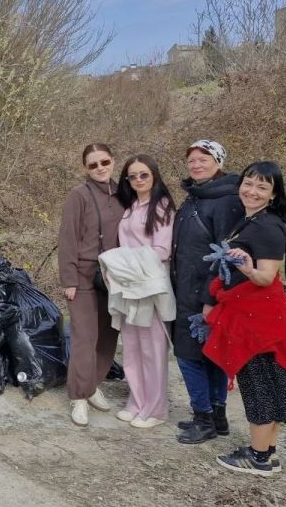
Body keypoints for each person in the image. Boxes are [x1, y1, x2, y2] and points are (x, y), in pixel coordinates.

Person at [200, 162, 286, 476]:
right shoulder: (253, 220)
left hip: (260, 325)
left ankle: (258, 457)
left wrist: (247, 269)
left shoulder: (267, 226)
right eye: (248, 183)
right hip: (262, 319)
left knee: (260, 388)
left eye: (262, 187)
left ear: (273, 194)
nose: (252, 191)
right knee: (273, 388)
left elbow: (265, 277)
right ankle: (268, 453)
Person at [171, 140, 244, 444]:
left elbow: (227, 253)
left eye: (204, 159)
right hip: (187, 286)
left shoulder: (227, 200)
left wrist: (211, 297)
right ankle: (217, 416)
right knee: (209, 353)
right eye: (192, 160)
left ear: (218, 162)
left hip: (205, 291)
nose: (196, 164)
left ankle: (204, 418)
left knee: (188, 354)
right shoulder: (195, 196)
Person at [58, 143, 125, 427]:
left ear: (113, 161)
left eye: (104, 162)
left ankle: (92, 385)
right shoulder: (79, 195)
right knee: (84, 338)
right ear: (85, 168)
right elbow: (68, 238)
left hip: (115, 277)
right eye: (93, 164)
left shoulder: (123, 193)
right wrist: (69, 279)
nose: (100, 168)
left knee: (108, 337)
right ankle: (79, 397)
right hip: (84, 276)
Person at [108, 155, 177, 429]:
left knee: (152, 349)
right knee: (132, 347)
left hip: (149, 284)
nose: (138, 180)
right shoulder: (131, 206)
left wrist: (123, 260)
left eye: (143, 174)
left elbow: (162, 250)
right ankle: (136, 402)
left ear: (154, 175)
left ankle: (156, 409)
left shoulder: (162, 206)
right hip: (128, 285)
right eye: (132, 176)